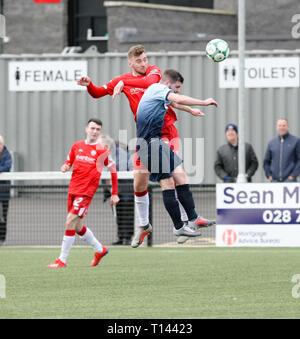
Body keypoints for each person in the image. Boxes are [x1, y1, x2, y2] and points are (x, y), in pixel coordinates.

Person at [78, 45, 214, 244]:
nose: (145, 63)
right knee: (139, 184)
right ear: (130, 63)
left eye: (145, 59)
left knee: (176, 176)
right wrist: (89, 84)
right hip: (146, 137)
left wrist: (189, 109)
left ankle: (187, 222)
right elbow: (98, 93)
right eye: (139, 61)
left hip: (164, 132)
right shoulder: (123, 80)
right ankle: (145, 225)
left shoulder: (153, 73)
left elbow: (156, 87)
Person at [132, 69, 218, 247]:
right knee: (168, 183)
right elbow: (177, 99)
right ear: (168, 83)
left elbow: (175, 104)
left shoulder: (159, 93)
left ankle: (193, 219)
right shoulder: (157, 88)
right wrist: (204, 102)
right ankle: (179, 227)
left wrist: (191, 110)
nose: (177, 90)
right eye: (177, 86)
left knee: (181, 176)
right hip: (148, 144)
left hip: (157, 142)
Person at [47, 119, 120, 268]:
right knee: (77, 226)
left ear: (100, 132)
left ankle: (62, 260)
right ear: (86, 129)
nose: (94, 131)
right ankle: (100, 249)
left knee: (69, 221)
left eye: (98, 129)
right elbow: (69, 162)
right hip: (73, 189)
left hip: (86, 192)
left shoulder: (102, 150)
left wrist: (114, 193)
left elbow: (113, 171)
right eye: (92, 128)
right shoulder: (77, 146)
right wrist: (66, 166)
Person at [100, 135, 134, 246]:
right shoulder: (102, 154)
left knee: (127, 213)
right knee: (118, 213)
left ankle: (128, 238)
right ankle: (121, 237)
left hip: (126, 189)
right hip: (114, 189)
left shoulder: (120, 153)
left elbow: (120, 169)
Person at [263, 118, 300, 182]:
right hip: (274, 181)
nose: (281, 128)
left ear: (288, 127)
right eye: (279, 125)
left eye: (284, 125)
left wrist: (292, 176)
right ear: (276, 127)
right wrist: (269, 176)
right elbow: (266, 162)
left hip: (290, 181)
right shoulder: (272, 143)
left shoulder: (296, 141)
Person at [0, 136, 12, 245]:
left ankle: (2, 238)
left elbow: (6, 167)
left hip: (4, 192)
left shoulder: (7, 155)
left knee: (4, 216)